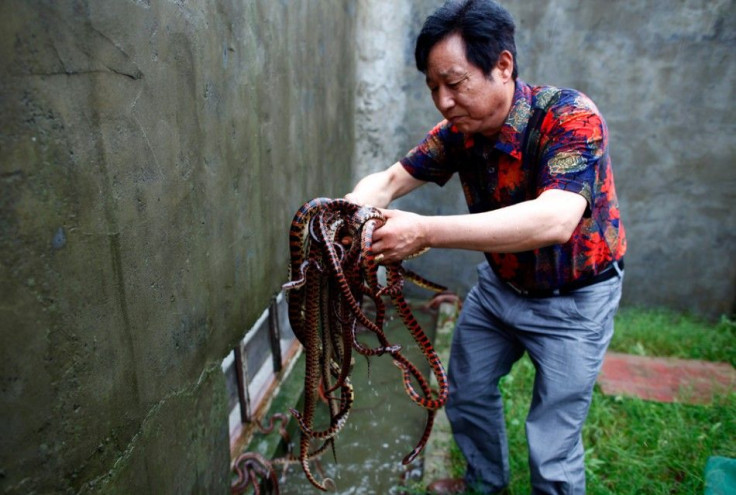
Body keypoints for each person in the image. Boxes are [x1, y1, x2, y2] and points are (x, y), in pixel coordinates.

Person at [345, 0, 626, 493]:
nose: (443, 101)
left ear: (502, 66)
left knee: (552, 444)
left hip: (575, 302)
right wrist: (347, 210)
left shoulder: (569, 118)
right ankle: (485, 486)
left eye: (454, 83)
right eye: (433, 87)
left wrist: (426, 232)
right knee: (467, 395)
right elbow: (390, 180)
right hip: (500, 290)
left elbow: (555, 219)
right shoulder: (459, 133)